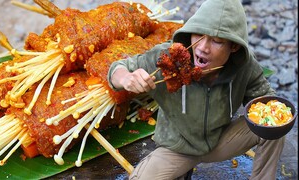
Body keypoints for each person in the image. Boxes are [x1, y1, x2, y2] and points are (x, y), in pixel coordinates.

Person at [107, 0, 285, 179]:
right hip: (176, 150)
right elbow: (116, 69)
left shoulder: (244, 66)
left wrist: (275, 113)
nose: (202, 48)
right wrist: (126, 78)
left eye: (216, 41)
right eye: (198, 35)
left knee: (276, 123)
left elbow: (267, 100)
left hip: (220, 141)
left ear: (234, 46)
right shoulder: (167, 58)